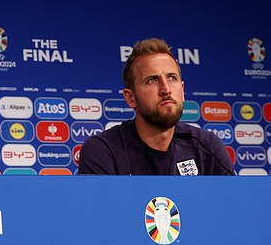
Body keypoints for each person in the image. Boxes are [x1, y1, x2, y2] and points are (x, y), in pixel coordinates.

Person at [79, 38, 235, 175]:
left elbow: (232, 205)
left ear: (182, 89)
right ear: (131, 98)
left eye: (172, 78)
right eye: (152, 80)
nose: (166, 89)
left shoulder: (207, 147)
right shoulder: (103, 150)